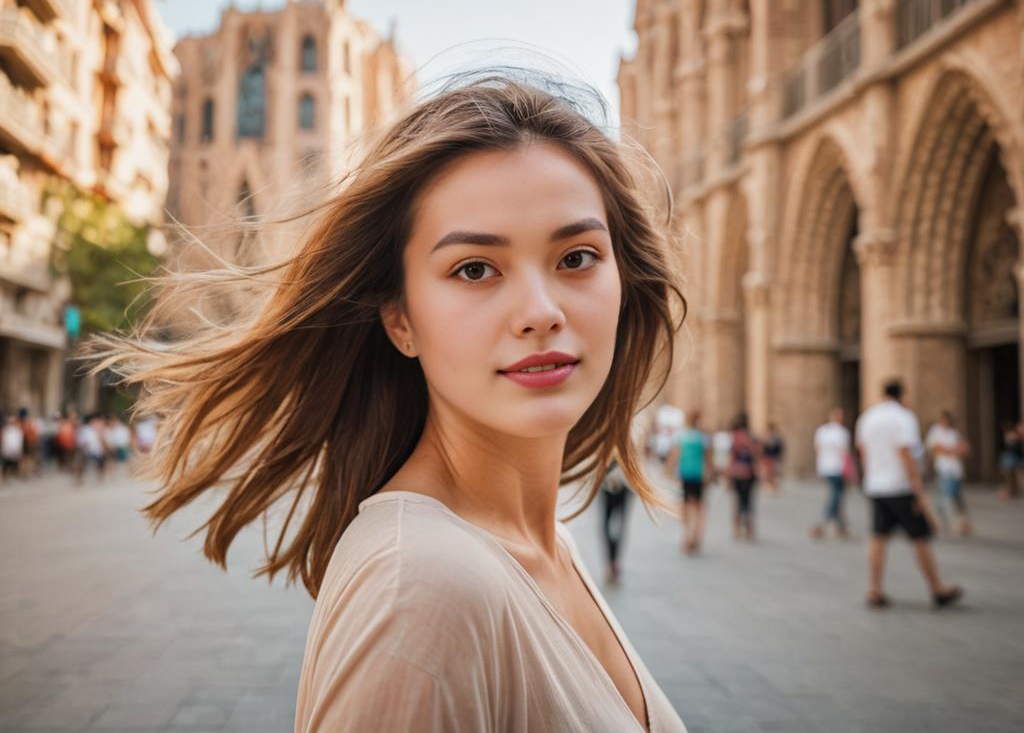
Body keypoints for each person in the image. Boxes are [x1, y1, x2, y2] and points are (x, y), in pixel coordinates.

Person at [91, 74, 688, 732]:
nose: (540, 313)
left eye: (576, 257)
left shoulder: (545, 549)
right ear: (400, 319)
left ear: (624, 279)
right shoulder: (424, 588)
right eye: (474, 269)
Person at [855, 379, 963, 609]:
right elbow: (906, 453)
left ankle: (874, 589)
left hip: (876, 485)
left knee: (878, 535)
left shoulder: (868, 417)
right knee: (920, 536)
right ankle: (936, 588)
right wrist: (919, 491)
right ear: (902, 395)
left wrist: (869, 476)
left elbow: (862, 450)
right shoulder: (903, 417)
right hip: (900, 486)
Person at [667, 410, 709, 554]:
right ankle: (695, 537)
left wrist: (669, 471)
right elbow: (708, 458)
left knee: (685, 507)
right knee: (699, 508)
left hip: (685, 474)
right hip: (698, 474)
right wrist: (709, 474)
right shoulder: (703, 437)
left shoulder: (681, 436)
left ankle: (687, 536)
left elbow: (675, 454)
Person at [926, 411, 971, 536]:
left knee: (955, 498)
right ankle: (942, 524)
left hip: (955, 470)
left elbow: (964, 449)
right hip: (943, 469)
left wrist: (949, 450)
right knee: (943, 497)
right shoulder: (936, 432)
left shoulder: (954, 433)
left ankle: (963, 523)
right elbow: (935, 449)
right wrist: (952, 450)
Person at [810, 408, 851, 539]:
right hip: (838, 468)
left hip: (825, 466)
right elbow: (846, 451)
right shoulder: (842, 432)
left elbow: (817, 447)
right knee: (836, 496)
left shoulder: (822, 431)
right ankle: (822, 524)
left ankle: (840, 527)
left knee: (837, 496)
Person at [726, 412, 760, 541]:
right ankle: (750, 529)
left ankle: (736, 529)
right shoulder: (752, 437)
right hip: (750, 473)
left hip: (737, 473)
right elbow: (757, 455)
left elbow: (732, 457)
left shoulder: (735, 437)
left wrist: (728, 475)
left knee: (738, 501)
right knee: (748, 501)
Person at [600, 458, 631, 585]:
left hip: (623, 484)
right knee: (608, 525)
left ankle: (614, 562)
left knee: (619, 525)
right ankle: (610, 562)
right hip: (608, 484)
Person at [997, 420, 1021, 499]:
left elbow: (1012, 447)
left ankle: (1011, 491)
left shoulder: (1013, 436)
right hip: (1010, 457)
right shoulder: (1010, 435)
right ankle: (1011, 491)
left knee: (1011, 475)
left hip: (1012, 457)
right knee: (1009, 475)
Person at [761, 422, 784, 493]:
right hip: (767, 458)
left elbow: (779, 448)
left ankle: (775, 488)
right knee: (768, 474)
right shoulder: (766, 438)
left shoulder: (775, 438)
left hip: (772, 458)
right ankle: (771, 487)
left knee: (773, 474)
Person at [1, 414, 24, 479]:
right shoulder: (6, 430)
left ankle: (15, 474)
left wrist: (19, 450)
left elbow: (19, 441)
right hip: (7, 450)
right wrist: (4, 449)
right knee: (6, 463)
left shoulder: (18, 430)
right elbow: (4, 440)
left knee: (15, 463)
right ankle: (5, 476)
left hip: (15, 449)